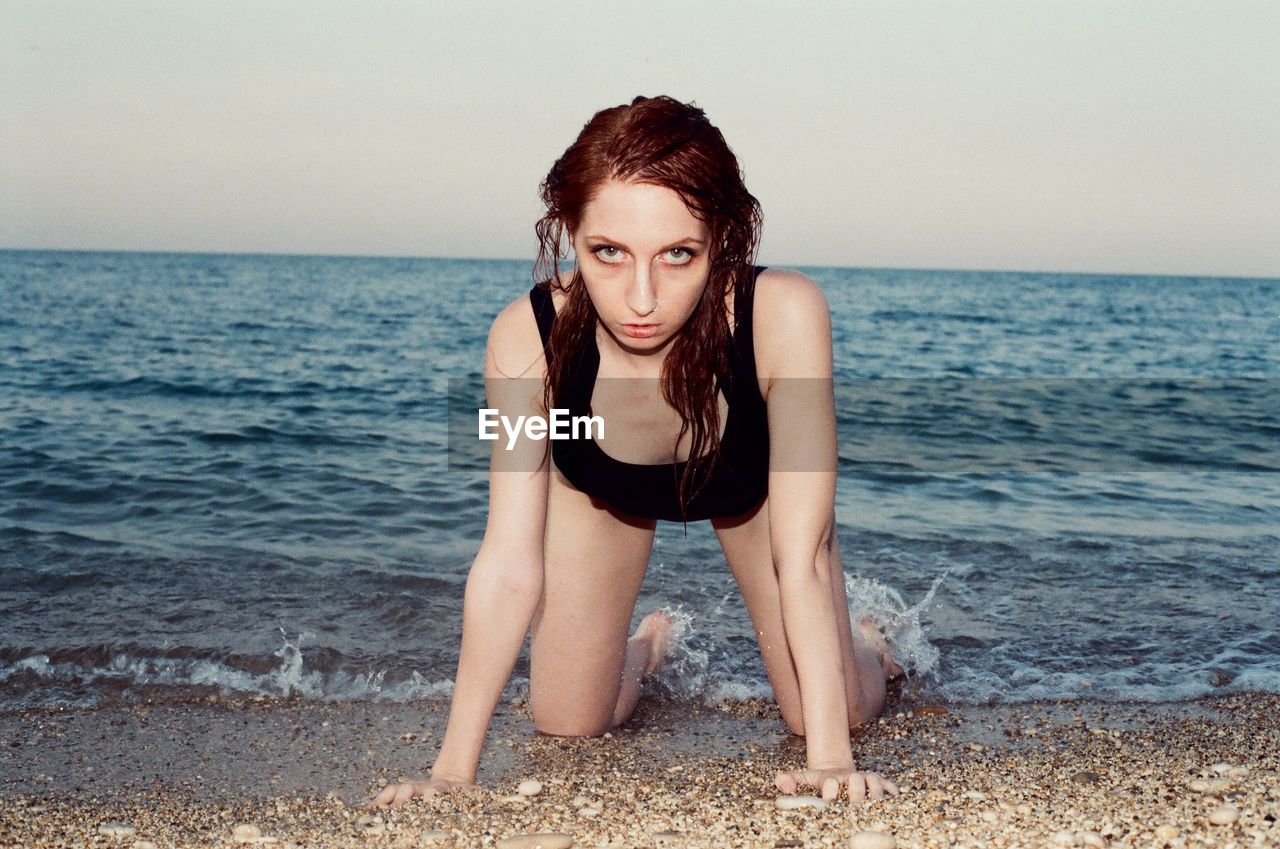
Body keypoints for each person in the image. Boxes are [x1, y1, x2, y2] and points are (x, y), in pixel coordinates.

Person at [373, 95, 902, 808]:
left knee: (826, 713)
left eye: (678, 254)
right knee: (566, 721)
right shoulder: (525, 342)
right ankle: (647, 649)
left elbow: (801, 555)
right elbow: (506, 560)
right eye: (609, 253)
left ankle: (873, 644)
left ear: (723, 238)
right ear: (570, 232)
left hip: (751, 489)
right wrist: (452, 773)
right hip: (600, 487)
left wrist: (832, 761)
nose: (641, 298)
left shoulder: (784, 316)